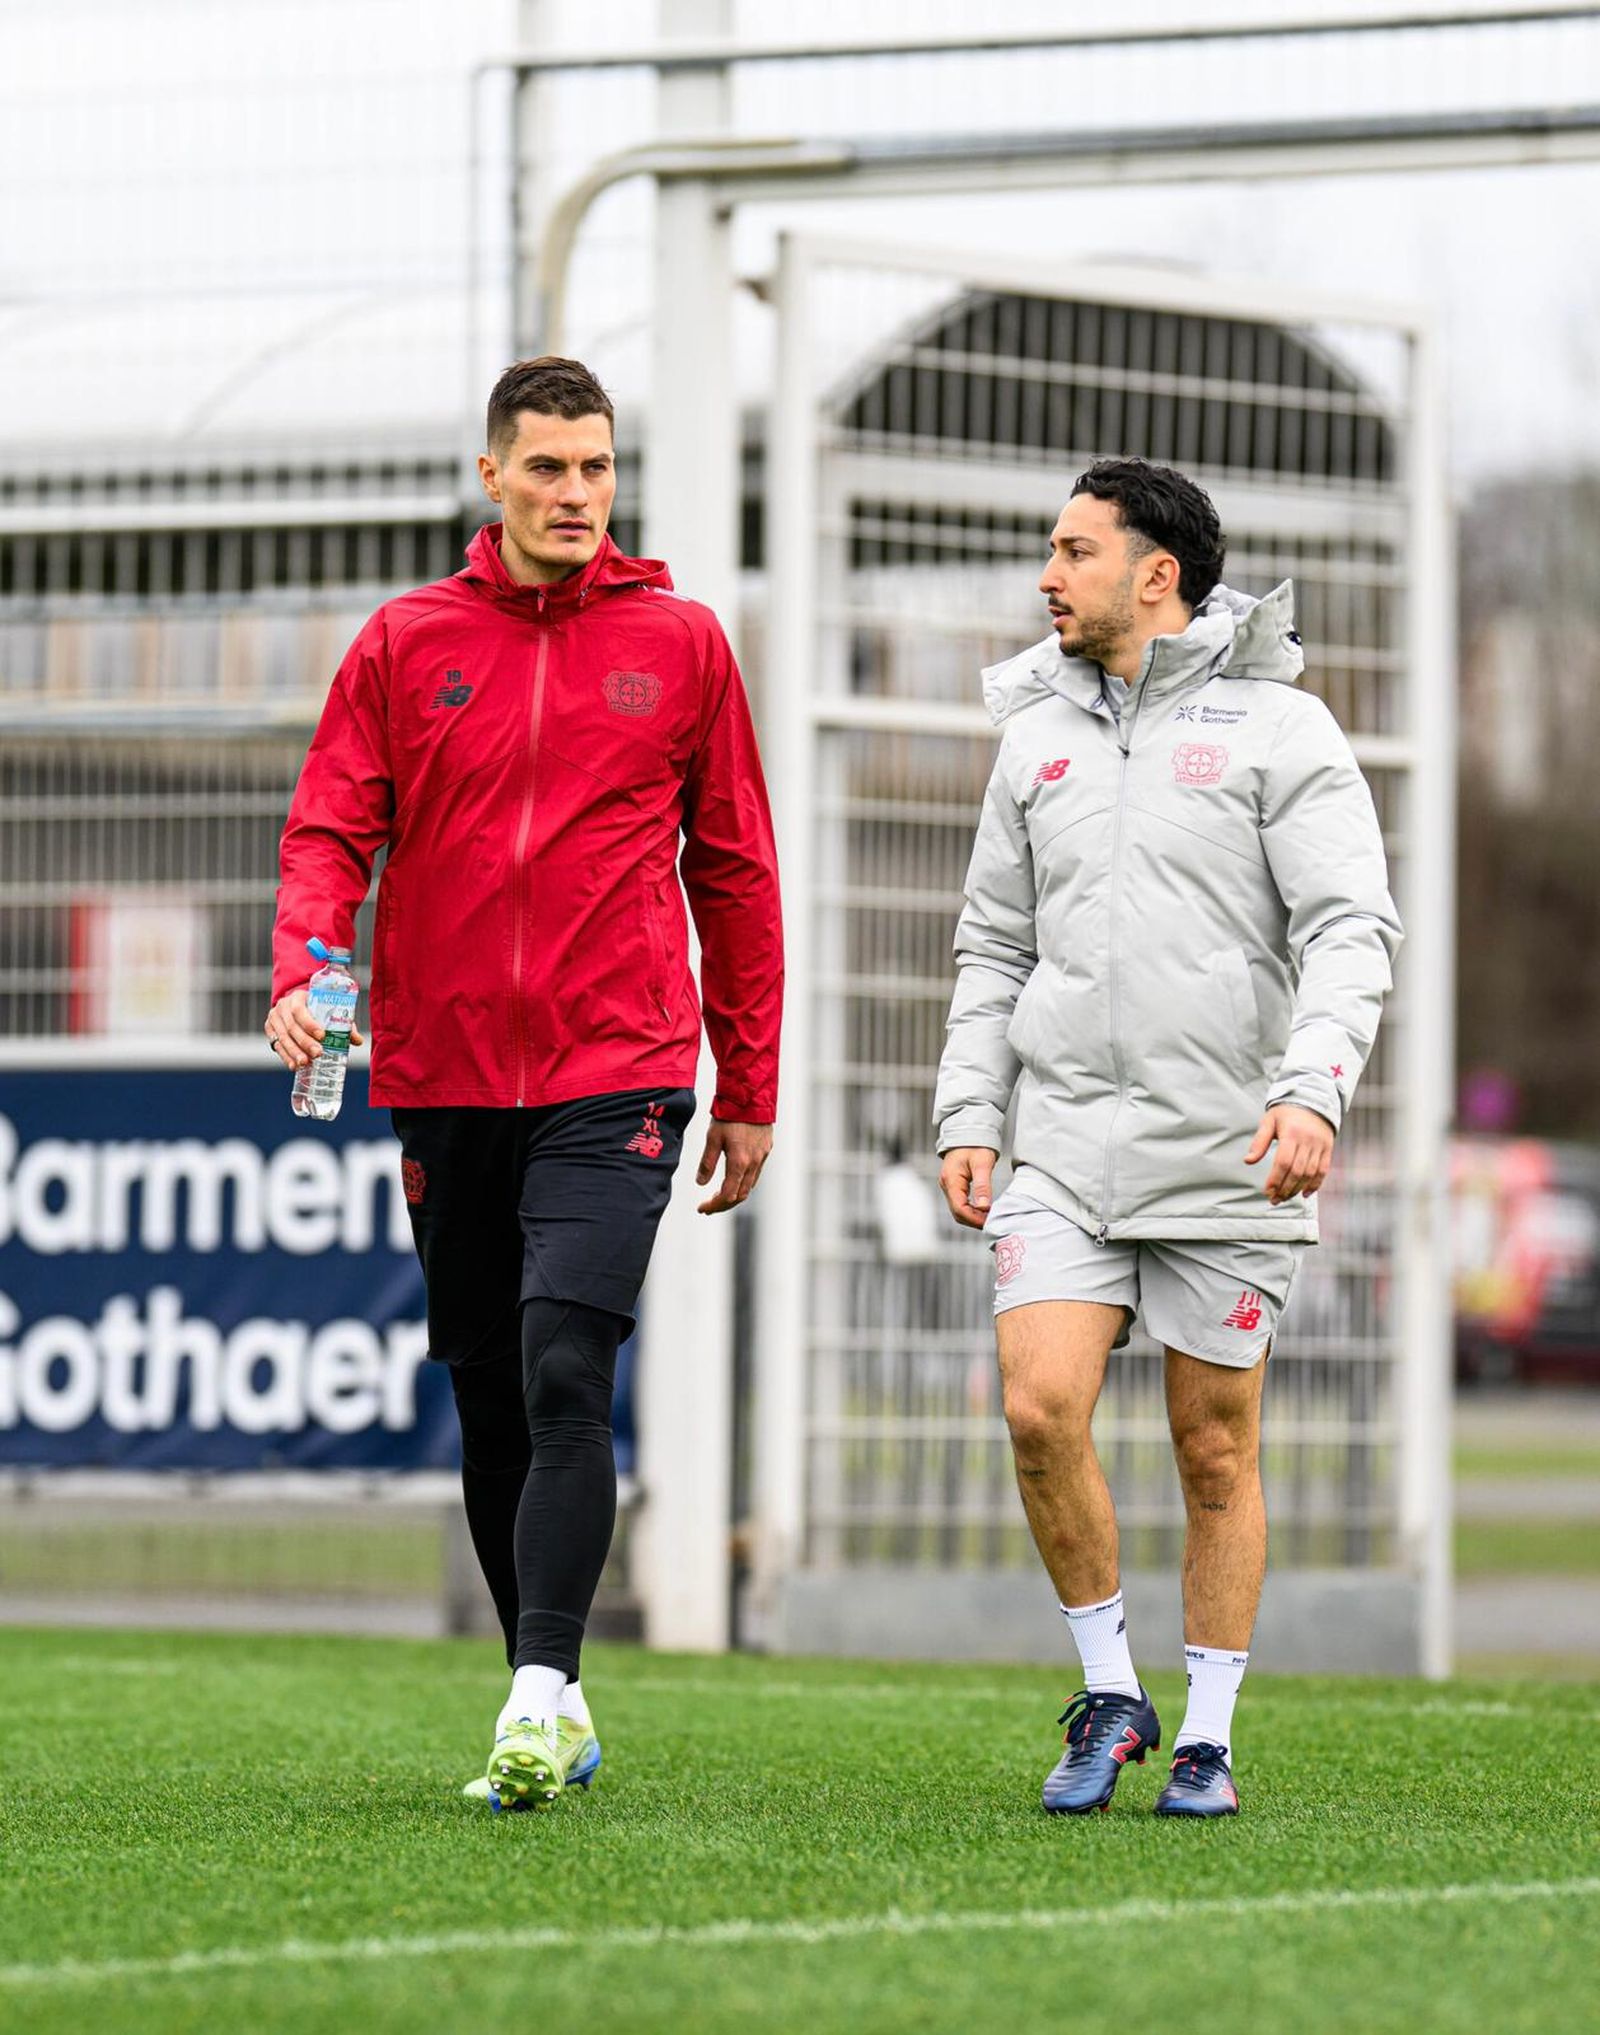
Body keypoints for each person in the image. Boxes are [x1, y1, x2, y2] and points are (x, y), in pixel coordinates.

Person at [266, 356, 783, 1811]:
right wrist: (309, 963)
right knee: (491, 1397)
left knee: (570, 1370)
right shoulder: (402, 641)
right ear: (491, 475)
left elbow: (735, 866)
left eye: (597, 469)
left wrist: (749, 1075)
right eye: (548, 468)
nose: (575, 495)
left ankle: (539, 1690)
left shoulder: (681, 644)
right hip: (441, 1070)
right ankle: (545, 1684)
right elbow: (329, 831)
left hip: (616, 1066)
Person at [935, 457, 1400, 1818]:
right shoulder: (1032, 736)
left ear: (1158, 575)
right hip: (1064, 1146)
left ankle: (1207, 1730)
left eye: (1074, 551)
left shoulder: (1284, 728)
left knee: (1214, 1448)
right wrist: (972, 1113)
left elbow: (1348, 931)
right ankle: (1110, 1689)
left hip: (1233, 1152)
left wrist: (1312, 1088)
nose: (1047, 575)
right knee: (1037, 1408)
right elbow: (993, 948)